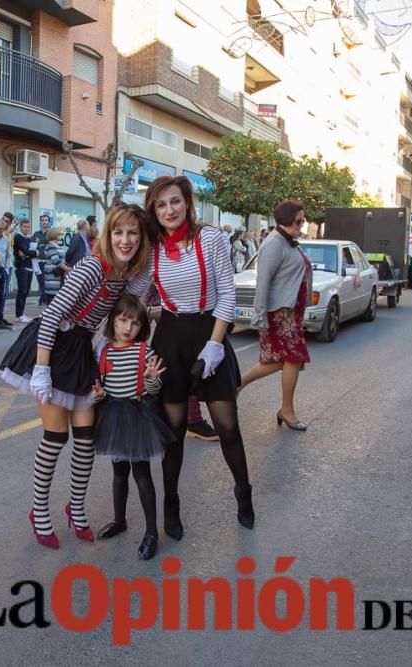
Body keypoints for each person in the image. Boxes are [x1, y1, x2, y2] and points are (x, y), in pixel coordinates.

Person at [0, 204, 150, 549]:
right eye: (118, 232)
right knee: (55, 438)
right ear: (107, 235)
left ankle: (76, 508)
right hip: (51, 348)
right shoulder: (91, 267)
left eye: (133, 234)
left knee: (86, 438)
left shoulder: (124, 275)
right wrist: (40, 371)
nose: (125, 240)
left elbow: (140, 292)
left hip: (80, 350)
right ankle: (38, 511)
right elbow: (51, 317)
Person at [142, 175, 254, 539]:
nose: (168, 210)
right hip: (171, 338)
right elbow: (138, 294)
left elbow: (226, 295)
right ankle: (171, 504)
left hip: (211, 332)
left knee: (227, 425)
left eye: (174, 202)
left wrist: (215, 346)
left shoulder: (211, 238)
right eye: (160, 205)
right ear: (153, 211)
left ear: (187, 203)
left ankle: (243, 492)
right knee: (173, 433)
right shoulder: (152, 246)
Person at [92, 294, 172, 560]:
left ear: (142, 328)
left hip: (138, 417)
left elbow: (154, 389)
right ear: (113, 322)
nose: (127, 328)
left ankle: (151, 532)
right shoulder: (103, 351)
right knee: (118, 474)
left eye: (134, 324)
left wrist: (151, 379)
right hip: (112, 416)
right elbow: (101, 387)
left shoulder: (144, 352)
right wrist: (99, 395)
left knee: (142, 475)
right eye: (122, 321)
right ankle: (119, 519)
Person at [239, 200, 311, 431]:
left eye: (302, 221)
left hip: (290, 313)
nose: (301, 225)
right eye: (298, 221)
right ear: (286, 219)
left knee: (279, 361)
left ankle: (237, 384)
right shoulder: (274, 243)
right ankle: (287, 410)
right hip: (279, 314)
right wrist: (260, 316)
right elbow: (263, 282)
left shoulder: (288, 242)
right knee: (292, 358)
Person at [13, 218, 38, 323]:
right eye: (25, 226)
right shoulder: (18, 237)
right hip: (21, 267)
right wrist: (32, 253)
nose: (27, 229)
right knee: (22, 291)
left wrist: (30, 253)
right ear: (20, 227)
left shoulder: (29, 239)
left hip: (30, 267)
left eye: (28, 227)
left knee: (26, 291)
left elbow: (30, 252)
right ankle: (19, 315)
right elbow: (25, 252)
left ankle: (22, 314)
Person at [42, 228, 69, 305]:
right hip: (52, 276)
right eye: (59, 234)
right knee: (52, 299)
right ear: (54, 235)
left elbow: (62, 260)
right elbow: (56, 260)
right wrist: (67, 269)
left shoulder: (57, 245)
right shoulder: (50, 246)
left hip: (59, 275)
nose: (60, 236)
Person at [32, 215, 51, 306]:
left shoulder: (51, 233)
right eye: (42, 220)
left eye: (46, 220)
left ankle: (44, 299)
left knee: (45, 281)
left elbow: (50, 244)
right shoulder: (36, 234)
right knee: (40, 281)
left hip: (48, 261)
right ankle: (43, 298)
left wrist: (41, 244)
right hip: (38, 261)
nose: (44, 222)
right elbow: (33, 246)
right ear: (40, 222)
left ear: (49, 221)